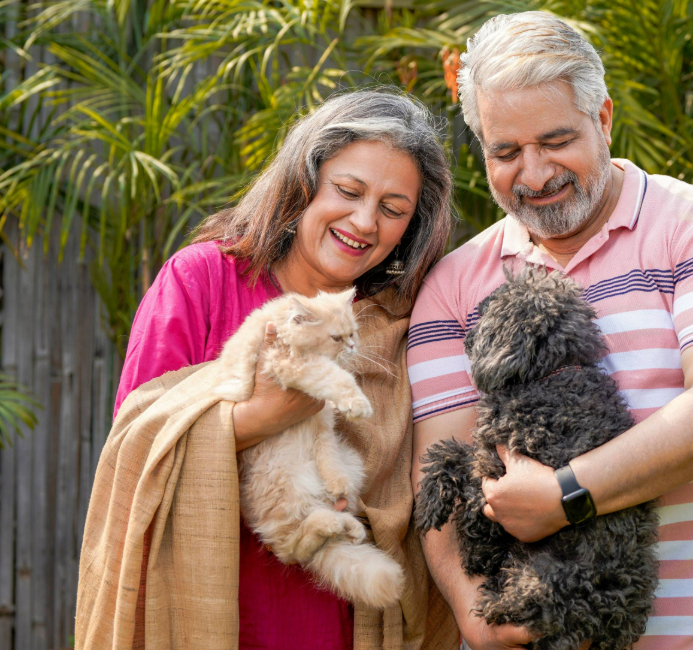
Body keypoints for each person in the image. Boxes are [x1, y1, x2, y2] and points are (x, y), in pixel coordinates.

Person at [408, 12, 693, 650]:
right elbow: (436, 468)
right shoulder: (452, 285)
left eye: (555, 141)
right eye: (505, 152)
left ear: (603, 118)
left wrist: (567, 496)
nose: (533, 174)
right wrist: (475, 611)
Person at [83, 89, 458, 650]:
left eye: (393, 209)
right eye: (348, 191)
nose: (363, 221)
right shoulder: (202, 281)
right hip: (212, 618)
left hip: (348, 622)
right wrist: (259, 418)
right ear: (303, 183)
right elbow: (137, 457)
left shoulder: (398, 323)